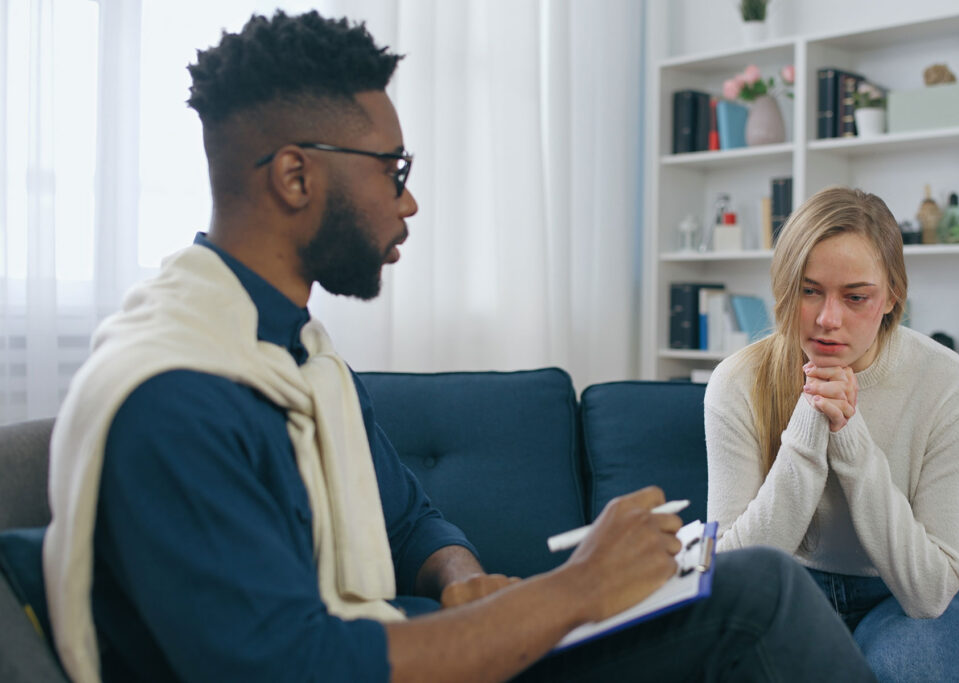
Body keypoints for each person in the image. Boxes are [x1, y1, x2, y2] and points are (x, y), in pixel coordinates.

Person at [43, 11, 876, 683]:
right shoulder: (180, 394)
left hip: (407, 639)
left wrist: (456, 574)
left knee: (734, 586)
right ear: (296, 177)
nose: (409, 202)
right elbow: (290, 665)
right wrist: (577, 589)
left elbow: (408, 516)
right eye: (391, 169)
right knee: (756, 591)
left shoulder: (296, 350)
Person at [705, 186, 959, 682]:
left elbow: (928, 591)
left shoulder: (955, 389)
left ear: (892, 297)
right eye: (809, 290)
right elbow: (729, 575)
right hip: (788, 589)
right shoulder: (736, 382)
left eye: (855, 297)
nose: (827, 320)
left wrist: (851, 436)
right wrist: (810, 419)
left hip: (901, 598)